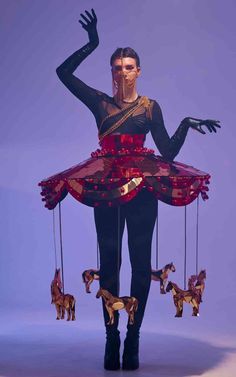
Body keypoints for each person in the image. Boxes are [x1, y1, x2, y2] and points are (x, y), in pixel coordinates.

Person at [42, 9, 220, 371]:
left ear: (138, 71)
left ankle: (133, 338)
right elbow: (62, 73)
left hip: (142, 188)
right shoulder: (100, 103)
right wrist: (90, 44)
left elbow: (167, 152)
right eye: (116, 67)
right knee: (110, 263)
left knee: (140, 265)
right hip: (106, 188)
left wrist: (185, 123)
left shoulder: (150, 108)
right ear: (111, 72)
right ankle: (111, 338)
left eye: (128, 67)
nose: (122, 72)